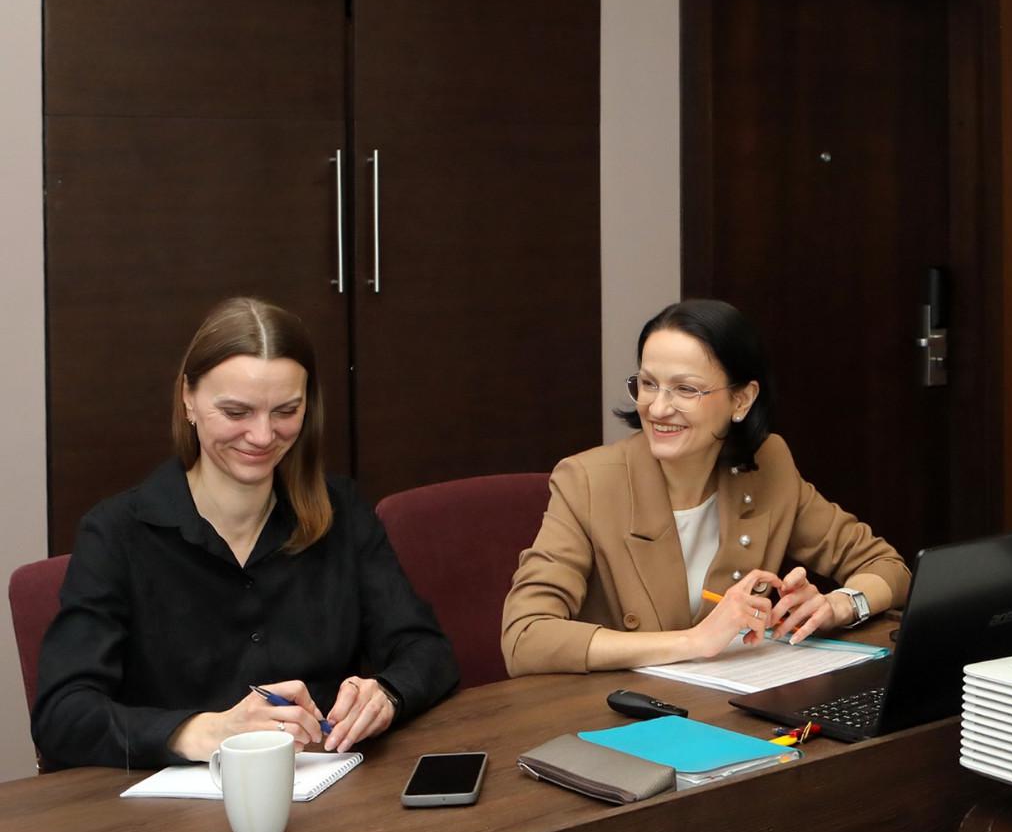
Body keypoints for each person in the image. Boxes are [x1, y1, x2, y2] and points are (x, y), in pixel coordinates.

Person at [32, 297, 459, 770]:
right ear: (188, 399)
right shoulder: (117, 533)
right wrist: (203, 731)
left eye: (286, 410)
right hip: (172, 807)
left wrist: (386, 694)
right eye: (236, 412)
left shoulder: (342, 511)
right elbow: (61, 716)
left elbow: (427, 651)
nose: (262, 436)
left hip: (327, 790)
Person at [503, 298, 911, 675]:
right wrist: (693, 641)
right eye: (648, 384)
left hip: (729, 699)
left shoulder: (767, 464)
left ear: (741, 400)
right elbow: (525, 637)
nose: (658, 408)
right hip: (624, 710)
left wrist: (839, 605)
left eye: (685, 389)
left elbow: (888, 568)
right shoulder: (588, 481)